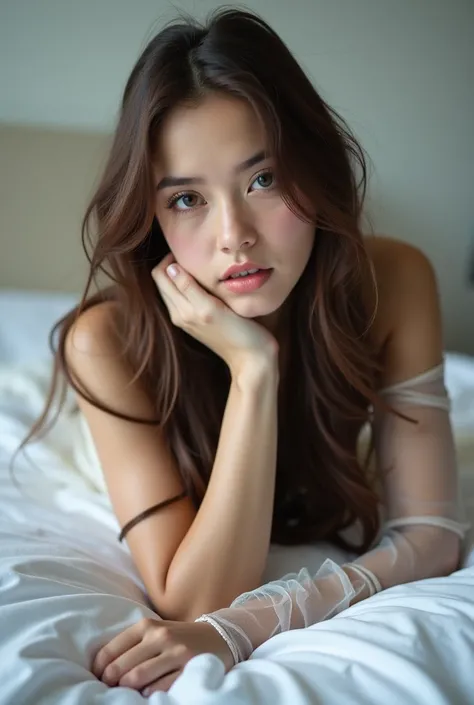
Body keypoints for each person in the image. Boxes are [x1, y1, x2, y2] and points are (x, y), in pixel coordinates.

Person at [26, 6, 469, 697]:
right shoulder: (105, 342)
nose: (234, 235)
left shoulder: (395, 280)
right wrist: (253, 371)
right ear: (149, 215)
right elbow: (193, 595)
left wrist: (244, 626)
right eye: (186, 199)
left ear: (313, 170)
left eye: (263, 180)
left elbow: (433, 536)